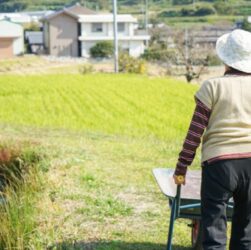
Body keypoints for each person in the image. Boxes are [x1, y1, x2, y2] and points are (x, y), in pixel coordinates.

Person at [173, 29, 251, 250]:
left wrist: (182, 167)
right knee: (246, 231)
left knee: (214, 228)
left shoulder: (212, 86)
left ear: (225, 59)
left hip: (220, 165)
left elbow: (194, 133)